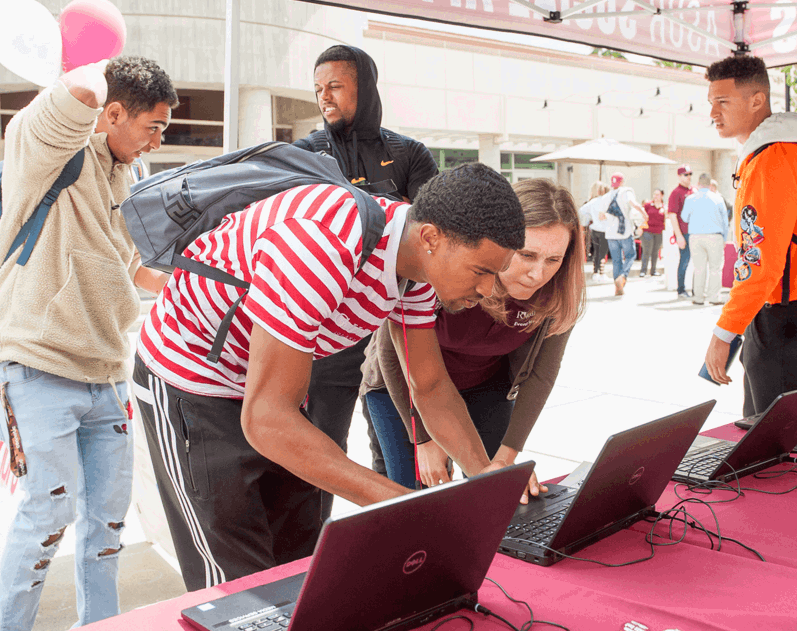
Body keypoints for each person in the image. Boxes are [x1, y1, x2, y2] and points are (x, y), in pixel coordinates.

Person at [133, 163, 527, 591]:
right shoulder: (323, 244)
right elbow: (266, 419)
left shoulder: (419, 270)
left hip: (266, 385)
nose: (489, 290)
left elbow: (428, 385)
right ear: (432, 238)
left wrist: (485, 479)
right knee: (237, 585)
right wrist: (406, 506)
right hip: (191, 381)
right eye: (482, 272)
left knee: (302, 563)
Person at [0, 57, 178, 631]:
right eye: (151, 126)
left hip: (105, 376)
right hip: (37, 364)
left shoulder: (127, 180)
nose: (157, 139)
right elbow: (76, 90)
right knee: (45, 517)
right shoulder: (44, 153)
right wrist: (110, 63)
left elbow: (133, 273)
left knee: (107, 524)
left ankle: (100, 626)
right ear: (113, 113)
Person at [361, 179, 586, 493]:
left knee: (498, 490)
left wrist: (506, 458)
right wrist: (424, 438)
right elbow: (392, 354)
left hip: (483, 387)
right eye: (526, 255)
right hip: (401, 387)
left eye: (553, 260)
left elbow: (542, 375)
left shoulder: (557, 293)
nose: (538, 275)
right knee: (411, 498)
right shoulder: (443, 268)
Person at [292, 44, 438, 518]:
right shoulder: (305, 153)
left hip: (393, 327)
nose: (324, 97)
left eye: (334, 86)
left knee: (397, 453)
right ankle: (307, 551)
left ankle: (400, 534)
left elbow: (430, 238)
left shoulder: (409, 153)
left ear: (365, 87)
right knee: (319, 450)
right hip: (326, 330)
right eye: (318, 89)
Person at [701, 56, 797, 417]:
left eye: (722, 101)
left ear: (757, 100)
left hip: (781, 321)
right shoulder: (783, 148)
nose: (713, 113)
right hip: (783, 315)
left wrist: (724, 332)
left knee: (769, 453)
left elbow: (760, 262)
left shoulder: (771, 157)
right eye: (711, 102)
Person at [681, 173, 729, 305]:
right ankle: (714, 297)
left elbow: (684, 217)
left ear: (698, 183)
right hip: (715, 236)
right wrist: (724, 238)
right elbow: (725, 221)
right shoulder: (718, 198)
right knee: (715, 268)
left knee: (699, 268)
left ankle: (698, 298)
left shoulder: (690, 198)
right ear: (709, 184)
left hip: (695, 236)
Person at [599, 172, 647, 296]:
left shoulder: (605, 197)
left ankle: (617, 288)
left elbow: (601, 216)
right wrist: (644, 214)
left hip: (611, 234)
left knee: (616, 260)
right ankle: (623, 276)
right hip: (625, 232)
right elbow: (634, 204)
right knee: (631, 255)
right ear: (622, 182)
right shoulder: (626, 192)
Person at [667, 164, 695, 298]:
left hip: (696, 232)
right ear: (679, 176)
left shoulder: (693, 190)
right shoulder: (676, 193)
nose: (689, 177)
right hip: (684, 232)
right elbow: (672, 215)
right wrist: (678, 235)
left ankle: (697, 289)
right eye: (686, 174)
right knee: (684, 261)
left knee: (698, 263)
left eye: (690, 174)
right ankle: (681, 289)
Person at [579, 180, 609, 281]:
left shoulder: (593, 201)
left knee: (596, 252)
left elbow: (581, 211)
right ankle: (601, 273)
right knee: (602, 253)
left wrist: (590, 217)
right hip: (604, 230)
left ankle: (595, 273)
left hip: (595, 230)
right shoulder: (607, 201)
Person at [640, 188, 666, 277]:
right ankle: (643, 270)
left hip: (658, 232)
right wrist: (640, 228)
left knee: (655, 251)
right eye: (654, 194)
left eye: (657, 194)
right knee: (647, 251)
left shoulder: (664, 207)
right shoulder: (648, 205)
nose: (655, 196)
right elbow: (641, 216)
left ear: (662, 196)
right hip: (647, 231)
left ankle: (653, 270)